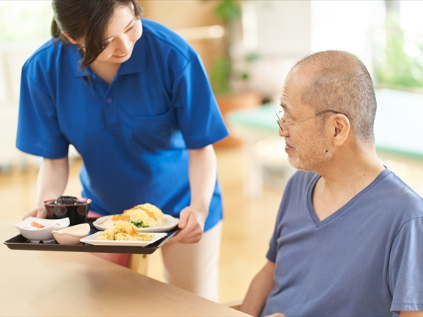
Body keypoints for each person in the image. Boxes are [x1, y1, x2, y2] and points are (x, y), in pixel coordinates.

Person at [16, 0, 228, 301]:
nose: (125, 46)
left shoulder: (173, 54)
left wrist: (199, 207)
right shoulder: (43, 69)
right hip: (104, 214)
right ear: (72, 37)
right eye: (106, 41)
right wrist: (45, 210)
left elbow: (201, 148)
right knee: (108, 304)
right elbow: (52, 158)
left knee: (193, 304)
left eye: (131, 28)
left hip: (183, 204)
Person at [240, 51, 423, 317]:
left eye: (292, 117)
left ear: (337, 129)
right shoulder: (299, 183)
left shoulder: (407, 218)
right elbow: (271, 270)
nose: (282, 129)